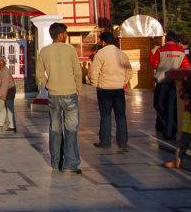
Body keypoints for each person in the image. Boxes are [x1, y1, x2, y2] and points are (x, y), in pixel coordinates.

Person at [36, 22, 82, 175]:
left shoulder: (44, 51)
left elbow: (39, 73)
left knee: (55, 129)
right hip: (70, 94)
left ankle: (56, 162)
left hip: (53, 96)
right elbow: (77, 71)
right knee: (71, 130)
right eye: (65, 33)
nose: (66, 36)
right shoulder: (70, 50)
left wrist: (47, 84)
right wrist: (78, 89)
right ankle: (71, 164)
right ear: (60, 35)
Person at [89, 32, 133, 149]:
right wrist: (124, 82)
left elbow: (94, 71)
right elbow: (129, 71)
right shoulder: (122, 54)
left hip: (104, 89)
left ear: (103, 42)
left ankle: (105, 142)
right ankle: (122, 142)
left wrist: (95, 84)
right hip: (118, 89)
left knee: (105, 115)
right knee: (121, 115)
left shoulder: (100, 54)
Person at [151, 31, 191, 140]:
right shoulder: (181, 51)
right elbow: (186, 66)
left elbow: (154, 64)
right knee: (170, 106)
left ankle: (170, 126)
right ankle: (170, 129)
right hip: (175, 82)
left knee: (158, 104)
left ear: (166, 39)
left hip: (162, 80)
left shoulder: (160, 50)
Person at [0, 57, 16, 132]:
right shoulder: (1, 70)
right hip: (5, 90)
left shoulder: (5, 71)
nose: (0, 65)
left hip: (10, 90)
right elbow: (0, 79)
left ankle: (12, 126)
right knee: (2, 107)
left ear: (5, 63)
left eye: (2, 63)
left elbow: (4, 87)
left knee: (9, 108)